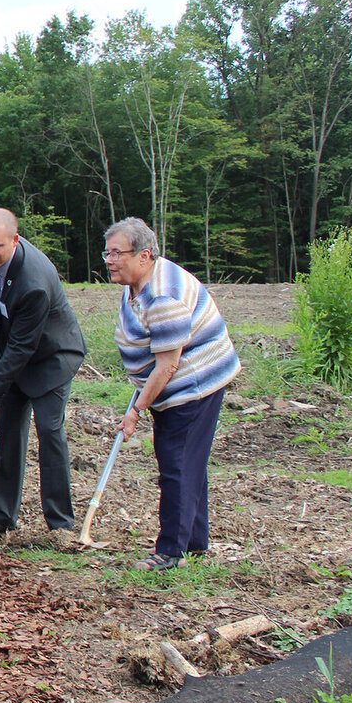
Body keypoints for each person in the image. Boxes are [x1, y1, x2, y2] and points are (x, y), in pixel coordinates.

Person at [105, 217, 239, 571]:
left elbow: (168, 366)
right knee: (187, 461)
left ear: (144, 255)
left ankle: (170, 553)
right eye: (107, 252)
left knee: (177, 463)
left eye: (117, 253)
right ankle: (194, 544)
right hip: (173, 380)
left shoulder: (164, 296)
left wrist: (137, 409)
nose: (110, 260)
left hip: (194, 383)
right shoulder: (137, 281)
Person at [0, 208, 86, 540]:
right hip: (16, 349)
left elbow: (21, 349)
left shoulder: (33, 283)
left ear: (14, 240)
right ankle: (2, 517)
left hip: (50, 358)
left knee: (49, 433)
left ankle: (60, 525)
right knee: (9, 434)